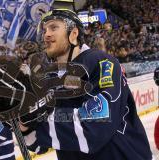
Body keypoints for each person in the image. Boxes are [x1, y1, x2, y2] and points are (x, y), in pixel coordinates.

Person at [18, 9, 153, 160]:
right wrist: (22, 118)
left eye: (54, 27)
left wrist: (38, 116)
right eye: (44, 30)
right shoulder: (49, 79)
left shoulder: (101, 62)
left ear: (74, 34)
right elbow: (39, 144)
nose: (46, 34)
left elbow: (95, 127)